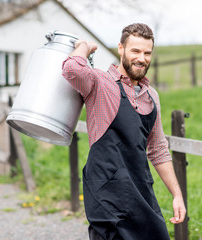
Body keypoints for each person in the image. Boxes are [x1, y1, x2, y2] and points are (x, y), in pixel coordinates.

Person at [62, 23, 186, 240]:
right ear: (121, 49)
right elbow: (71, 69)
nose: (142, 58)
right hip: (106, 191)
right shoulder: (100, 82)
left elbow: (158, 149)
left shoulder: (151, 96)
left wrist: (177, 195)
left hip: (140, 190)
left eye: (147, 53)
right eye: (135, 51)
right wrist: (84, 46)